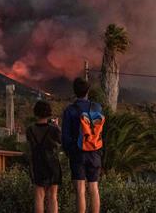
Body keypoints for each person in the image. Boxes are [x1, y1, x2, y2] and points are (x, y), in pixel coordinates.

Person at [62, 77, 103, 213]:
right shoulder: (97, 107)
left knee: (80, 190)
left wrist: (70, 152)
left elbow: (66, 136)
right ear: (88, 91)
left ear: (74, 91)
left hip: (78, 152)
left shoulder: (70, 110)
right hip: (94, 151)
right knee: (94, 188)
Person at [26, 100, 62, 213]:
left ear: (36, 113)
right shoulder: (53, 129)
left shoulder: (30, 130)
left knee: (39, 195)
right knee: (53, 196)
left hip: (37, 163)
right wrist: (57, 126)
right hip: (52, 164)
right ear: (49, 113)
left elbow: (31, 145)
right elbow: (61, 141)